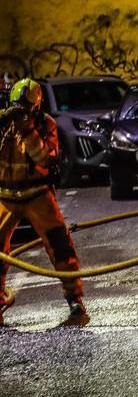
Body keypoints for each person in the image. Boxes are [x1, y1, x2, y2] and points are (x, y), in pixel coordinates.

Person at [0, 79, 88, 326]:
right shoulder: (4, 125)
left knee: (60, 245)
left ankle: (75, 302)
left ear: (35, 106)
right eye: (14, 106)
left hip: (37, 195)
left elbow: (45, 158)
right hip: (5, 196)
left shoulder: (44, 124)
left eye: (23, 107)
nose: (18, 110)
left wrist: (27, 129)